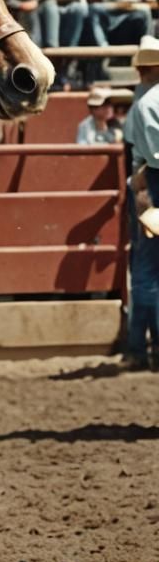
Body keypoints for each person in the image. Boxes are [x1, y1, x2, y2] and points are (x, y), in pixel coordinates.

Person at [122, 37, 159, 369]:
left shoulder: (142, 103)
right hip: (149, 181)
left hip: (147, 185)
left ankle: (140, 346)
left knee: (146, 270)